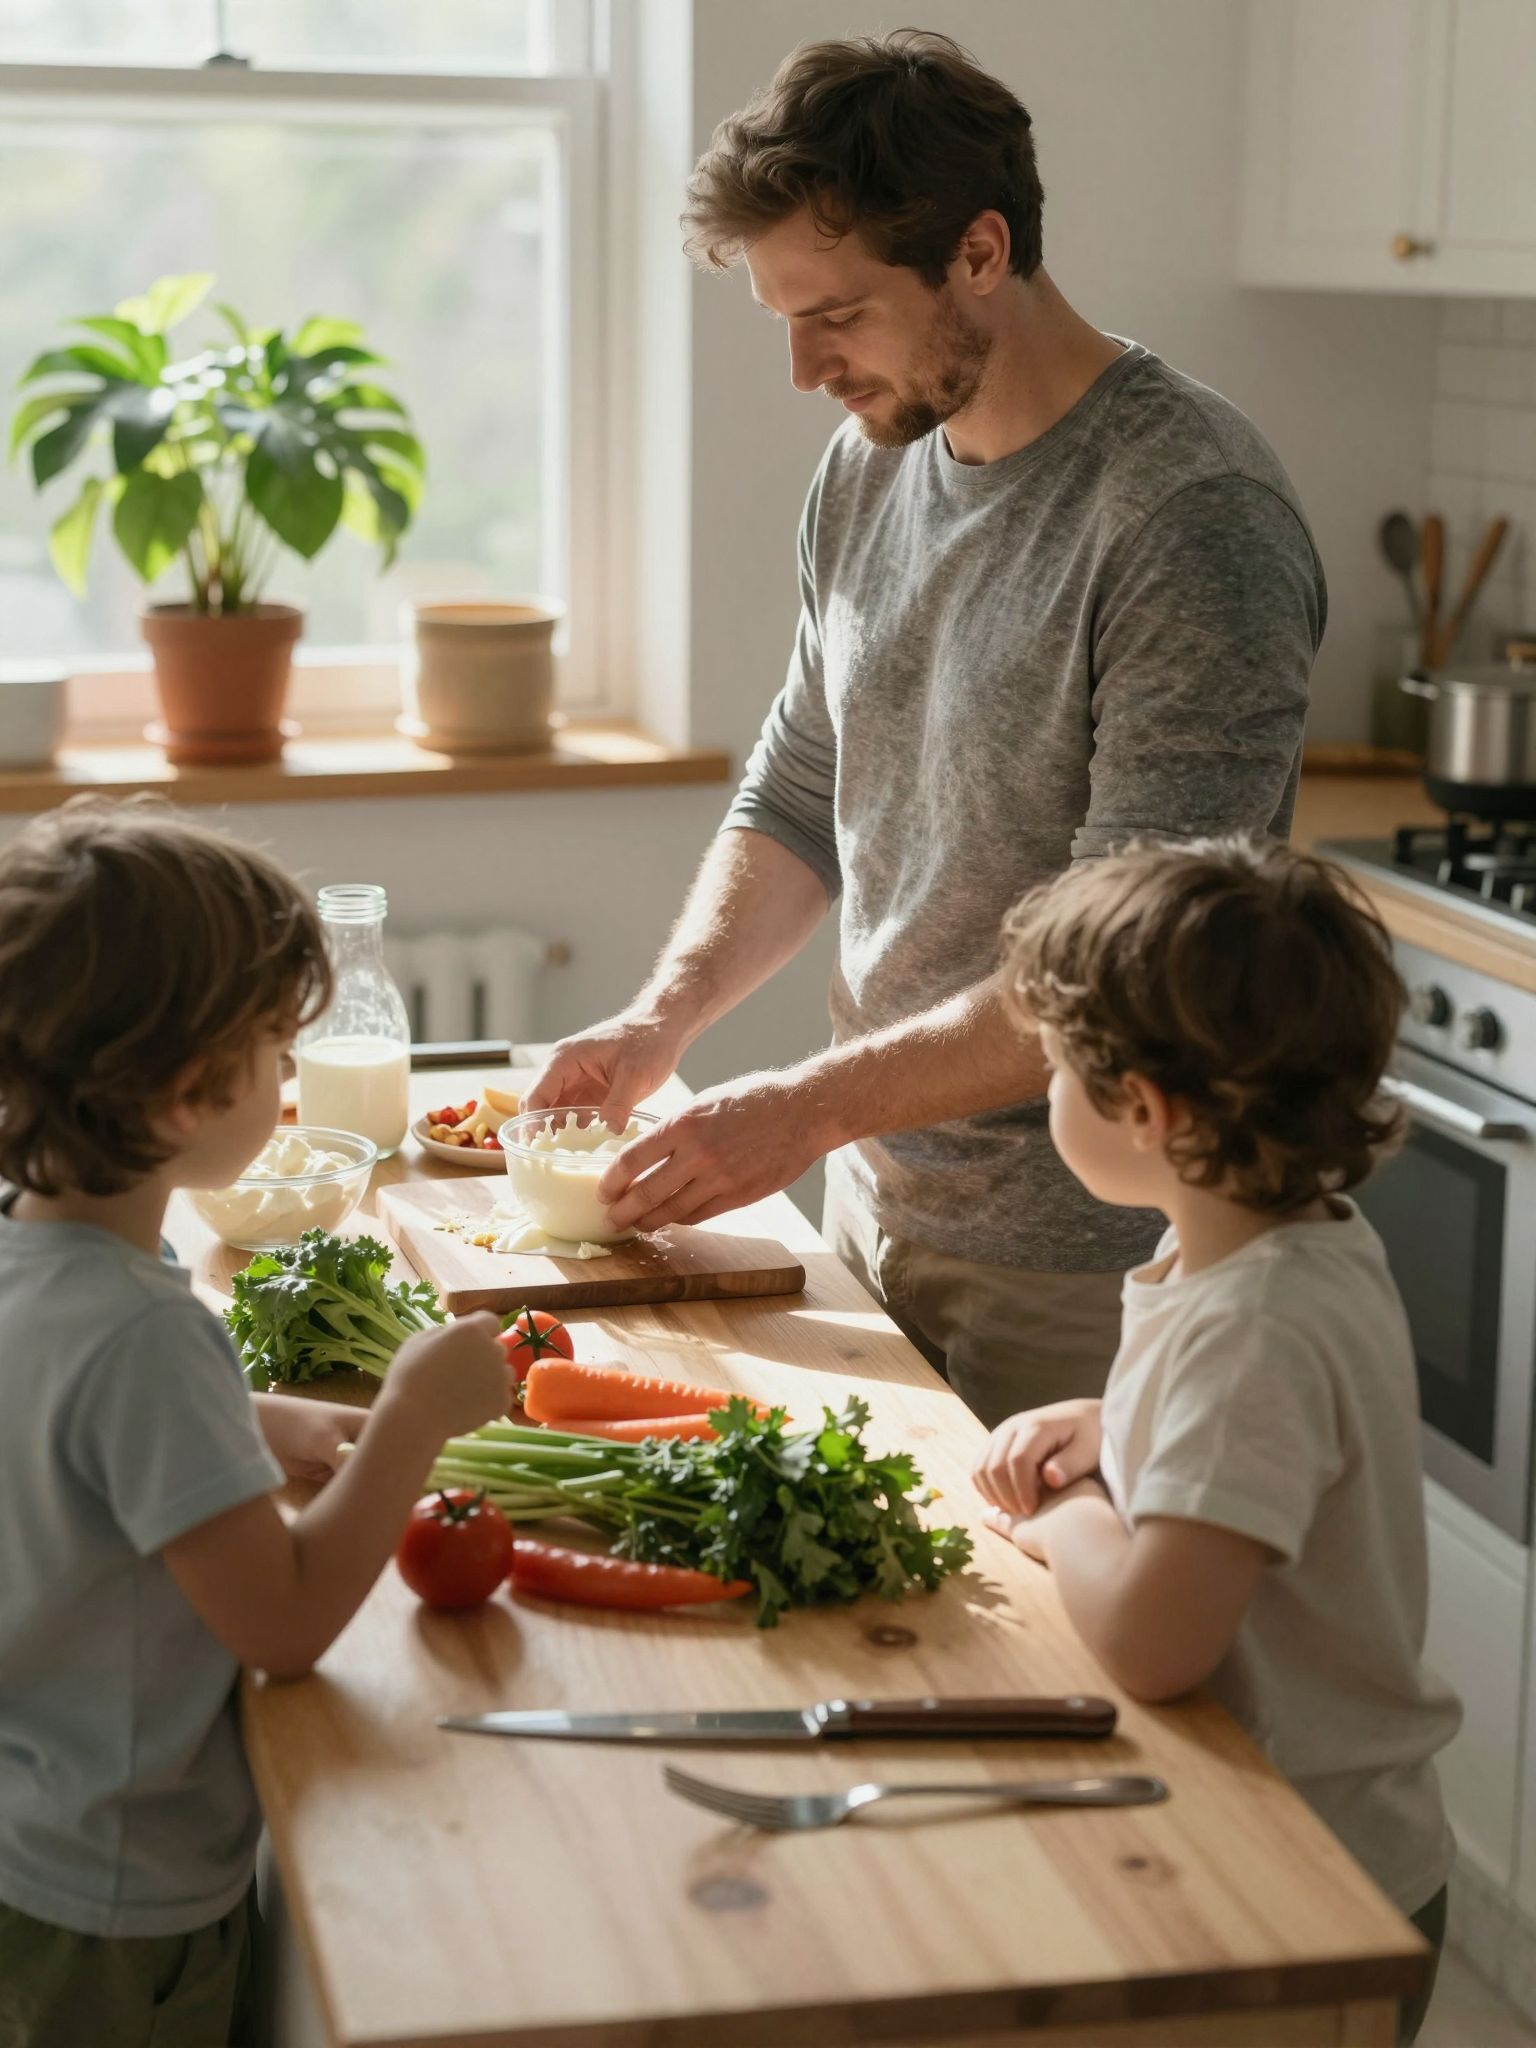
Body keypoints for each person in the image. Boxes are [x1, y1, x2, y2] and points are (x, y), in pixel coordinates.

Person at [527, 29, 1326, 1426]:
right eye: (782, 318)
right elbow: (801, 784)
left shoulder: (1189, 517)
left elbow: (1122, 973)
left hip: (1088, 1256)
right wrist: (665, 1022)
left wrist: (800, 1108)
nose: (802, 370)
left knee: (1068, 1647)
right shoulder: (870, 466)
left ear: (977, 251)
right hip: (878, 1200)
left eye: (833, 315)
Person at [0, 796, 512, 2048]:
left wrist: (250, 1414)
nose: (290, 1082)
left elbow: (77, 1441)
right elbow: (283, 1624)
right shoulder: (144, 1336)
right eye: (278, 1052)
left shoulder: (35, 1255)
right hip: (123, 1904)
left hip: (30, 1836)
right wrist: (409, 1416)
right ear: (186, 1094)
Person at [972, 838, 1459, 2045]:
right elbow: (1277, 1447)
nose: (1045, 1095)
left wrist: (1061, 1514)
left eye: (1055, 1072)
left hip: (1308, 1893)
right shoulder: (1289, 1245)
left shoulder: (1252, 1324)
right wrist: (1118, 1425)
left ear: (1145, 1108)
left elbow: (1151, 1643)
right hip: (1292, 1839)